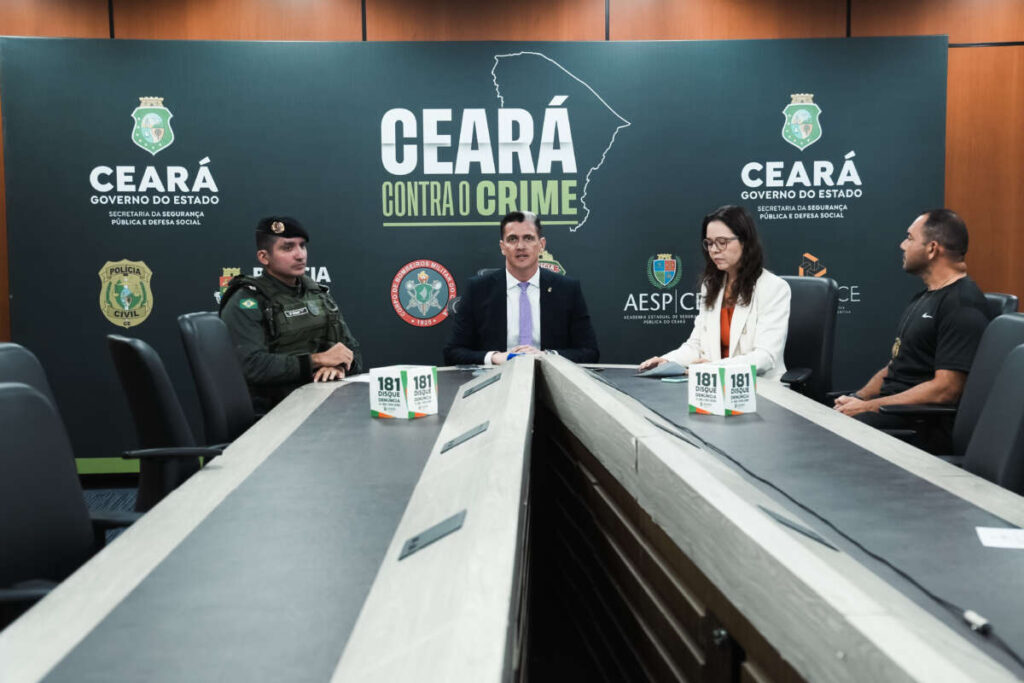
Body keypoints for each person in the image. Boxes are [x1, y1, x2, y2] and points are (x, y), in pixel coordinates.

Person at [833, 209, 990, 452]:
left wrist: (868, 407)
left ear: (932, 249)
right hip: (893, 414)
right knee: (826, 418)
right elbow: (896, 367)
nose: (902, 245)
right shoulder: (924, 297)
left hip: (923, 426)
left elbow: (946, 390)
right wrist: (858, 397)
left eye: (909, 238)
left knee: (835, 435)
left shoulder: (962, 305)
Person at [220, 216, 363, 410]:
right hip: (275, 412)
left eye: (302, 246)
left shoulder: (317, 294)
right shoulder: (248, 301)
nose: (300, 255)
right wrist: (318, 360)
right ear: (264, 257)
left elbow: (351, 350)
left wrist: (337, 366)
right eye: (287, 248)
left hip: (323, 402)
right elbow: (252, 366)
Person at [638, 205, 791, 378]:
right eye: (709, 243)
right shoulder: (711, 285)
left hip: (759, 386)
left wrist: (712, 367)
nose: (714, 250)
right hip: (714, 385)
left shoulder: (773, 287)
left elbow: (765, 357)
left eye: (722, 242)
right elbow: (696, 345)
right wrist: (667, 361)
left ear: (744, 241)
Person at [443, 211, 599, 366]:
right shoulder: (477, 290)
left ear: (541, 245)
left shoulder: (567, 290)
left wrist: (547, 356)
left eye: (528, 238)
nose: (521, 246)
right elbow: (453, 353)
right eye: (512, 239)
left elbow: (590, 352)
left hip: (550, 377)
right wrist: (495, 358)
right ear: (502, 247)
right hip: (496, 378)